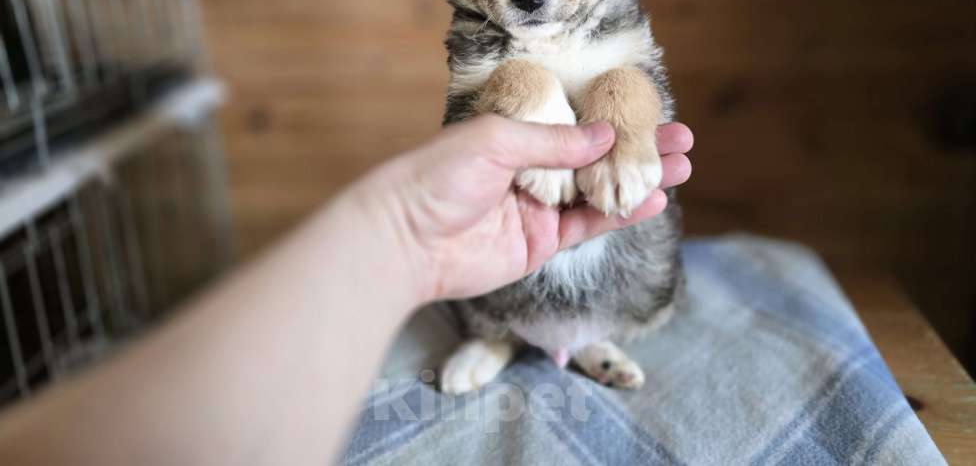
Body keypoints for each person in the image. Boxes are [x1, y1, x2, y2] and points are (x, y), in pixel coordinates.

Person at [0, 115, 693, 464]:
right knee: (497, 298)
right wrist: (403, 232)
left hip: (584, 274)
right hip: (497, 284)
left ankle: (573, 339)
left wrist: (399, 233)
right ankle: (499, 339)